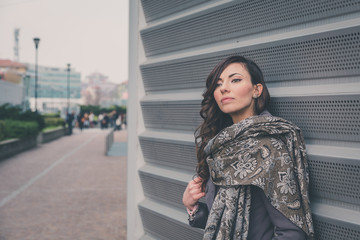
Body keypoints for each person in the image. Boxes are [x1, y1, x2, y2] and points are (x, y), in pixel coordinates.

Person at [182, 56, 314, 239]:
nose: (224, 88)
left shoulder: (269, 148)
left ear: (256, 90)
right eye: (218, 84)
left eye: (235, 80)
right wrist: (192, 207)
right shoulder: (221, 145)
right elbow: (226, 224)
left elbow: (292, 233)